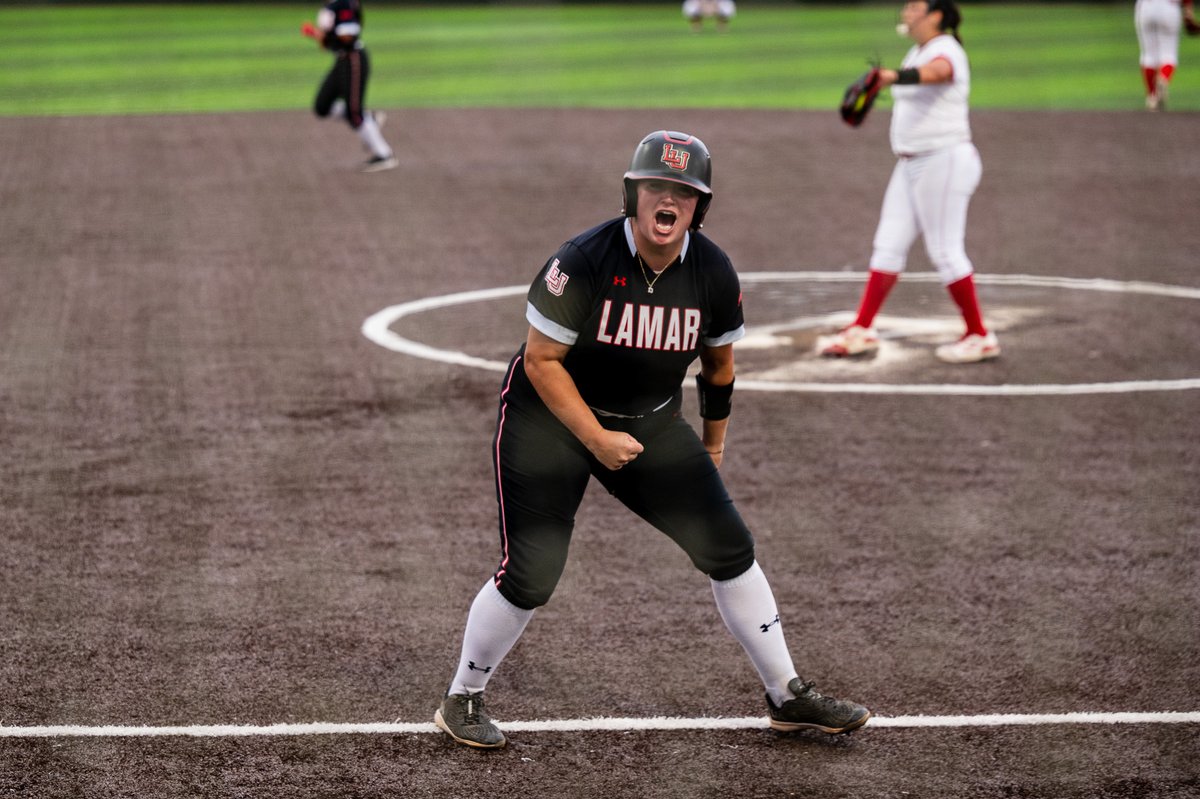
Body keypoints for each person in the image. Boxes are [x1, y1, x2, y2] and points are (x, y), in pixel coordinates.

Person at [433, 131, 871, 749]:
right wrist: (597, 439)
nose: (668, 201)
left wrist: (712, 449)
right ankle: (463, 697)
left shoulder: (712, 272)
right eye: (656, 188)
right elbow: (541, 361)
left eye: (683, 193)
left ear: (699, 207)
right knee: (533, 572)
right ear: (633, 196)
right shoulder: (584, 259)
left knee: (728, 546)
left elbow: (719, 370)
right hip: (549, 422)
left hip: (651, 422)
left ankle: (786, 695)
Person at [820, 0, 999, 364]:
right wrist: (896, 75)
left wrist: (893, 77)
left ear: (935, 15)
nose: (906, 10)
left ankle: (979, 335)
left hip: (944, 159)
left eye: (915, 5)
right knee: (888, 245)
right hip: (912, 163)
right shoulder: (917, 49)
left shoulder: (944, 48)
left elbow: (940, 72)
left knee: (946, 250)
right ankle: (863, 327)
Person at [301, 0, 397, 172]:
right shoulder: (331, 5)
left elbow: (349, 36)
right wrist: (317, 35)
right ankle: (370, 119)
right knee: (322, 106)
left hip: (354, 60)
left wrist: (324, 36)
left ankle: (384, 155)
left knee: (354, 112)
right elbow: (329, 42)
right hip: (341, 60)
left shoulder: (344, 4)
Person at [1135, 0, 1197, 110]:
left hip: (1146, 6)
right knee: (1169, 54)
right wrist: (1188, 12)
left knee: (1148, 55)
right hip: (1170, 7)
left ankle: (1152, 96)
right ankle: (1163, 78)